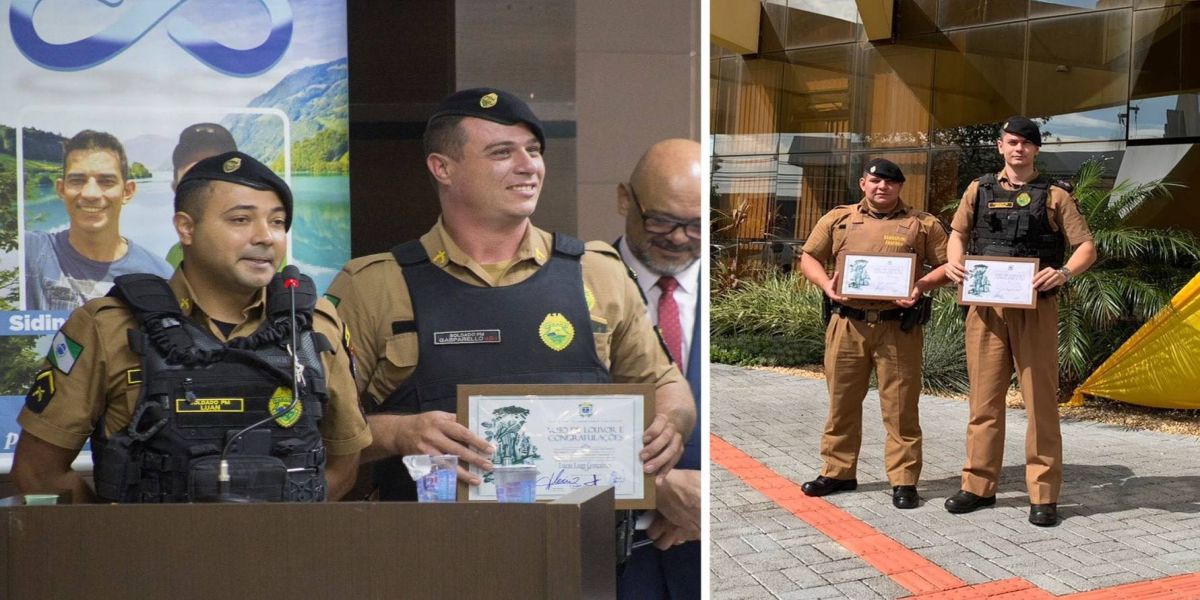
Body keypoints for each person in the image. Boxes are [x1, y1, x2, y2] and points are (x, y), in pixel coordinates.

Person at [325, 88, 695, 501]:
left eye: (533, 150)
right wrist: (398, 432)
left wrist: (670, 423)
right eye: (502, 153)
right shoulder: (374, 286)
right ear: (442, 168)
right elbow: (316, 434)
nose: (528, 166)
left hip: (577, 538)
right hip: (425, 537)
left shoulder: (596, 272)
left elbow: (665, 383)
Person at [11, 151, 371, 503]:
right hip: (146, 544)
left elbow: (343, 464)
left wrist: (276, 531)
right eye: (241, 219)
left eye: (277, 222)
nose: (266, 237)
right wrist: (115, 532)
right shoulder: (109, 327)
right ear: (186, 227)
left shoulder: (313, 324)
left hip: (284, 543)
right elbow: (38, 472)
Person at [943, 117, 1096, 527]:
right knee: (983, 401)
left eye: (1027, 143)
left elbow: (1086, 247)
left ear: (1036, 150)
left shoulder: (1056, 195)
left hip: (1035, 309)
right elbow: (957, 233)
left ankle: (1043, 495)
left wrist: (1063, 272)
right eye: (1012, 142)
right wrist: (954, 261)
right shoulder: (978, 189)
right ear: (1000, 146)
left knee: (1040, 403)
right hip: (986, 309)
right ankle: (978, 486)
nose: (1019, 149)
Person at [798, 158, 949, 509]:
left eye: (890, 182)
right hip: (847, 323)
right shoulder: (838, 219)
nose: (883, 187)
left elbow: (948, 265)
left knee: (901, 408)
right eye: (876, 181)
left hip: (897, 327)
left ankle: (904, 480)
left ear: (900, 187)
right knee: (841, 403)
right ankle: (838, 472)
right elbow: (809, 257)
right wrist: (826, 285)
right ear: (863, 183)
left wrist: (921, 285)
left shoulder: (922, 224)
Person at [613, 139, 702, 600]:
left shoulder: (730, 295)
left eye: (697, 225)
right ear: (624, 199)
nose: (680, 238)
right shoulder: (568, 289)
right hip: (613, 559)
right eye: (662, 221)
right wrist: (652, 485)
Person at [24, 130, 172, 311]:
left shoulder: (158, 275)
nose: (90, 194)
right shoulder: (30, 252)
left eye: (106, 181)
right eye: (77, 180)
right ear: (61, 189)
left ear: (127, 191)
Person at [165, 123, 239, 268]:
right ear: (175, 190)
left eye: (216, 175)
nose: (206, 189)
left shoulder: (265, 251)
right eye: (193, 179)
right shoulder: (175, 256)